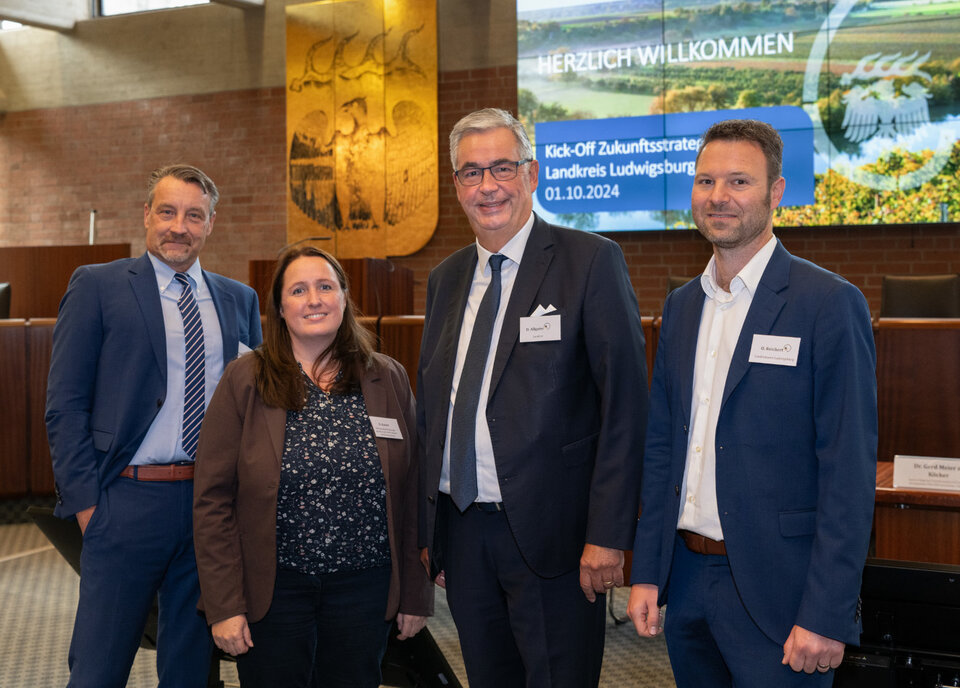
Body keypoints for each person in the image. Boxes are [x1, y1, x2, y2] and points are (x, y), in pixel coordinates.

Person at [627, 119, 877, 687]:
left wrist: (826, 611)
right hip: (686, 583)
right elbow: (663, 448)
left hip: (784, 596)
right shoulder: (682, 306)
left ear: (776, 193)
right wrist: (647, 574)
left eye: (739, 181)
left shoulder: (828, 304)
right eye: (705, 181)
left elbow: (848, 473)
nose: (719, 197)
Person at [417, 107, 648, 687]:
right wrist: (431, 533)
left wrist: (608, 534)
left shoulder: (589, 261)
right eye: (471, 173)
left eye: (502, 167)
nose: (487, 186)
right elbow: (435, 409)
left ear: (532, 174)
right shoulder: (445, 279)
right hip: (465, 531)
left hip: (557, 538)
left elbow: (625, 406)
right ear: (456, 186)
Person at [45, 164, 263, 688]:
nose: (178, 227)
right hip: (125, 503)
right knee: (99, 667)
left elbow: (253, 409)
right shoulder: (97, 286)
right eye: (167, 211)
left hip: (209, 508)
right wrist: (89, 509)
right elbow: (65, 404)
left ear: (211, 223)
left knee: (191, 669)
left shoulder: (239, 299)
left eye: (194, 215)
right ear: (146, 215)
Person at [193, 245, 432, 688]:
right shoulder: (244, 380)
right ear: (281, 308)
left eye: (325, 287)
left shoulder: (386, 377)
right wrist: (225, 605)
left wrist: (416, 592)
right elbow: (213, 501)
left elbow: (415, 490)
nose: (314, 299)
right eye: (298, 290)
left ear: (344, 297)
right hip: (274, 589)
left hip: (365, 588)